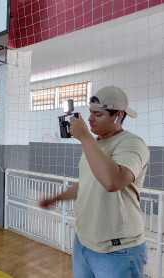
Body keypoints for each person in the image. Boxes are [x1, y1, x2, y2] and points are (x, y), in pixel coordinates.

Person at [40, 86, 149, 278]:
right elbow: (87, 183)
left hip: (117, 250)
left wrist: (84, 137)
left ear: (118, 115)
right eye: (90, 112)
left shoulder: (132, 143)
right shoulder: (95, 144)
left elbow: (112, 182)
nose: (90, 119)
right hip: (84, 243)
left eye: (97, 114)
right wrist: (57, 198)